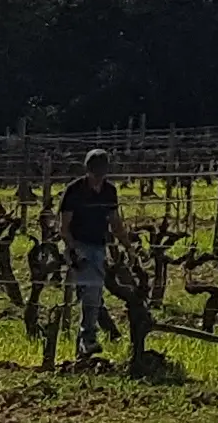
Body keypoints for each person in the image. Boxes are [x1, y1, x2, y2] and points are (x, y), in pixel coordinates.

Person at [59, 148, 132, 357]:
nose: (98, 178)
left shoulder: (110, 191)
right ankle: (88, 337)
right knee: (92, 289)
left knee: (95, 293)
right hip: (78, 245)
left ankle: (83, 346)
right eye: (94, 173)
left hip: (99, 246)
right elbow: (64, 227)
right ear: (87, 171)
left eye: (101, 173)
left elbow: (115, 222)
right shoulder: (74, 190)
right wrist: (74, 251)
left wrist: (127, 245)